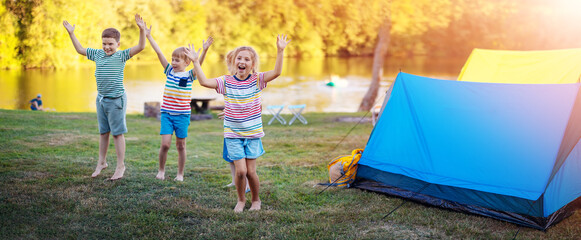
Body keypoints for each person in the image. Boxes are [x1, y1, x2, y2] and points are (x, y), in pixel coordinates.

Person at [186, 34, 291, 212]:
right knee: (240, 171)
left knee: (251, 172)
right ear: (234, 62)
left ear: (252, 64)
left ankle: (256, 200)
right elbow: (203, 81)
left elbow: (277, 72)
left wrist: (280, 51)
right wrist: (196, 61)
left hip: (253, 134)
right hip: (233, 134)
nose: (242, 61)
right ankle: (241, 200)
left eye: (247, 59)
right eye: (239, 58)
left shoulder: (257, 80)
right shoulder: (225, 82)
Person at [62, 14, 147, 180]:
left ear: (118, 44)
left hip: (116, 101)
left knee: (117, 134)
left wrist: (142, 30)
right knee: (103, 133)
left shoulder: (121, 55)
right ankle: (101, 162)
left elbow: (141, 46)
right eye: (104, 44)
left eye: (110, 44)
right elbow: (80, 50)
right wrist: (71, 33)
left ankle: (121, 166)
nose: (107, 47)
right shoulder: (97, 54)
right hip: (101, 100)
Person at [144, 23, 213, 181]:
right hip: (167, 114)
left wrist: (205, 50)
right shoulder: (169, 72)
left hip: (182, 116)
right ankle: (161, 170)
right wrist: (149, 36)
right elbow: (159, 52)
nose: (173, 62)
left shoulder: (190, 75)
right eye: (173, 59)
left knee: (181, 145)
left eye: (177, 60)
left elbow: (198, 64)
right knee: (165, 145)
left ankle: (180, 174)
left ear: (187, 63)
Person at [219, 112, 250, 192]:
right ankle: (234, 181)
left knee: (243, 159)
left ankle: (246, 184)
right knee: (231, 157)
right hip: (230, 130)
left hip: (242, 130)